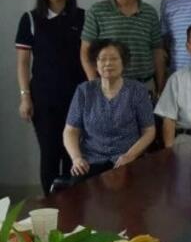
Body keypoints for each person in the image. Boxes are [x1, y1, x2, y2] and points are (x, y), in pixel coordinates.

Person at [15, 0, 87, 194]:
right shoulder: (31, 19)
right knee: (49, 152)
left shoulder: (82, 17)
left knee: (73, 152)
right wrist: (25, 97)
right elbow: (23, 63)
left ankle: (73, 204)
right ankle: (50, 203)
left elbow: (88, 57)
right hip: (44, 97)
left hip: (77, 95)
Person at [63, 40, 156, 182]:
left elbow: (149, 131)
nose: (108, 63)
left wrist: (130, 156)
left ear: (123, 62)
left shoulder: (137, 90)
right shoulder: (84, 91)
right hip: (91, 160)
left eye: (113, 59)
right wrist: (76, 158)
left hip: (128, 160)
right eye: (102, 59)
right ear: (96, 64)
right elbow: (70, 130)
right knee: (79, 190)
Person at [81, 0, 165, 95]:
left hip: (145, 86)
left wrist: (161, 87)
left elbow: (157, 51)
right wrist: (95, 84)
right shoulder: (97, 11)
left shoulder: (150, 12)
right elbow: (86, 52)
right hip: (109, 87)